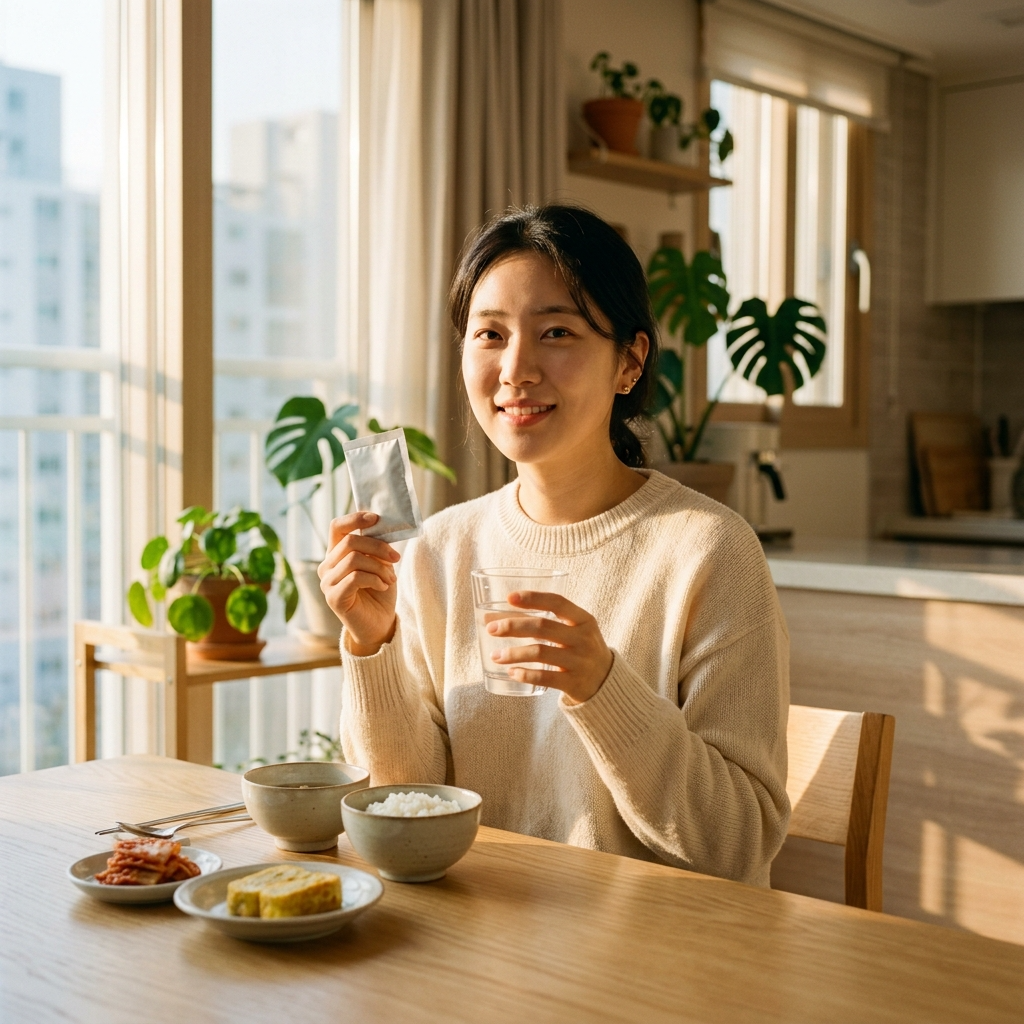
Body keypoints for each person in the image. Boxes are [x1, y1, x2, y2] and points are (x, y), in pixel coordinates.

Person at [319, 205, 790, 887]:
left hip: (656, 941)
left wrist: (603, 687)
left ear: (629, 362)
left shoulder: (710, 551)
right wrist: (372, 643)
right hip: (485, 924)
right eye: (490, 334)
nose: (515, 369)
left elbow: (738, 842)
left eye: (557, 333)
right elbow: (406, 806)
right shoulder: (439, 550)